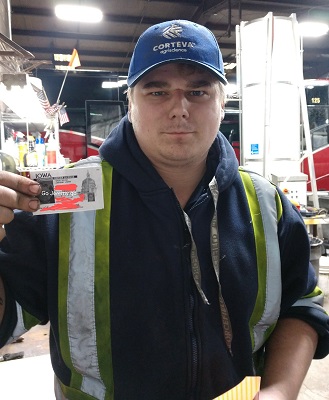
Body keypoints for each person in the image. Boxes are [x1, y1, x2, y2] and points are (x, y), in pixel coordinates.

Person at [0, 19, 328, 400]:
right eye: (157, 92)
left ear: (223, 103)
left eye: (198, 92)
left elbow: (301, 303)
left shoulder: (266, 204)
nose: (179, 109)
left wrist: (280, 390)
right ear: (131, 103)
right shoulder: (61, 197)